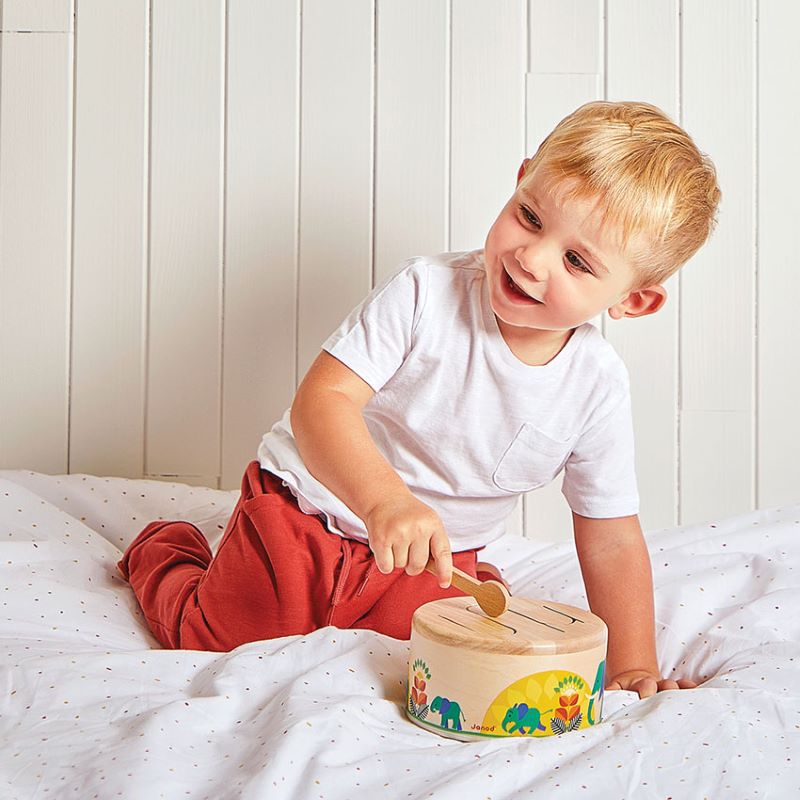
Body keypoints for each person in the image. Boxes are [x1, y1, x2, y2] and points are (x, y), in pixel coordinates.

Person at [119, 101, 720, 699]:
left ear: (632, 301)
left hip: (427, 559)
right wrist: (384, 501)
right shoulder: (425, 292)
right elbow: (321, 402)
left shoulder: (595, 384)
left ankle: (473, 582)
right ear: (520, 179)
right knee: (229, 635)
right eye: (530, 217)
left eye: (576, 261)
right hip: (307, 510)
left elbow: (611, 535)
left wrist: (631, 668)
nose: (531, 259)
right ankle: (166, 551)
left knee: (450, 662)